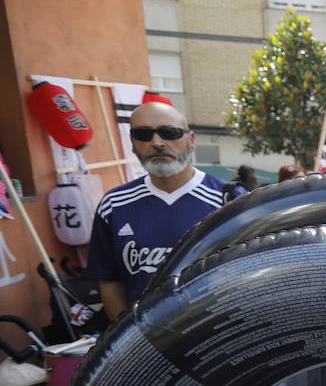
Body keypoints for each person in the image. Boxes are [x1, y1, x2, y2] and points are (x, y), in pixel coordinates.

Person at [86, 100, 231, 319]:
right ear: (133, 144)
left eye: (169, 133)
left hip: (218, 335)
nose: (156, 142)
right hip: (147, 341)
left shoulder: (229, 200)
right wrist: (126, 342)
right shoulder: (114, 205)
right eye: (143, 134)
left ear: (191, 141)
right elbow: (110, 282)